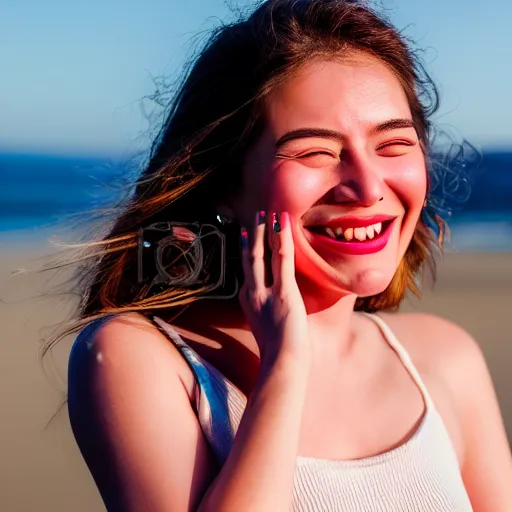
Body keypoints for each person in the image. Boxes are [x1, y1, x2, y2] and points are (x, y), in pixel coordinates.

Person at [65, 1, 512, 510]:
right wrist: (285, 366)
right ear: (224, 184)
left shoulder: (445, 359)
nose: (367, 187)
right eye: (315, 152)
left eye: (393, 145)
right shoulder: (139, 359)